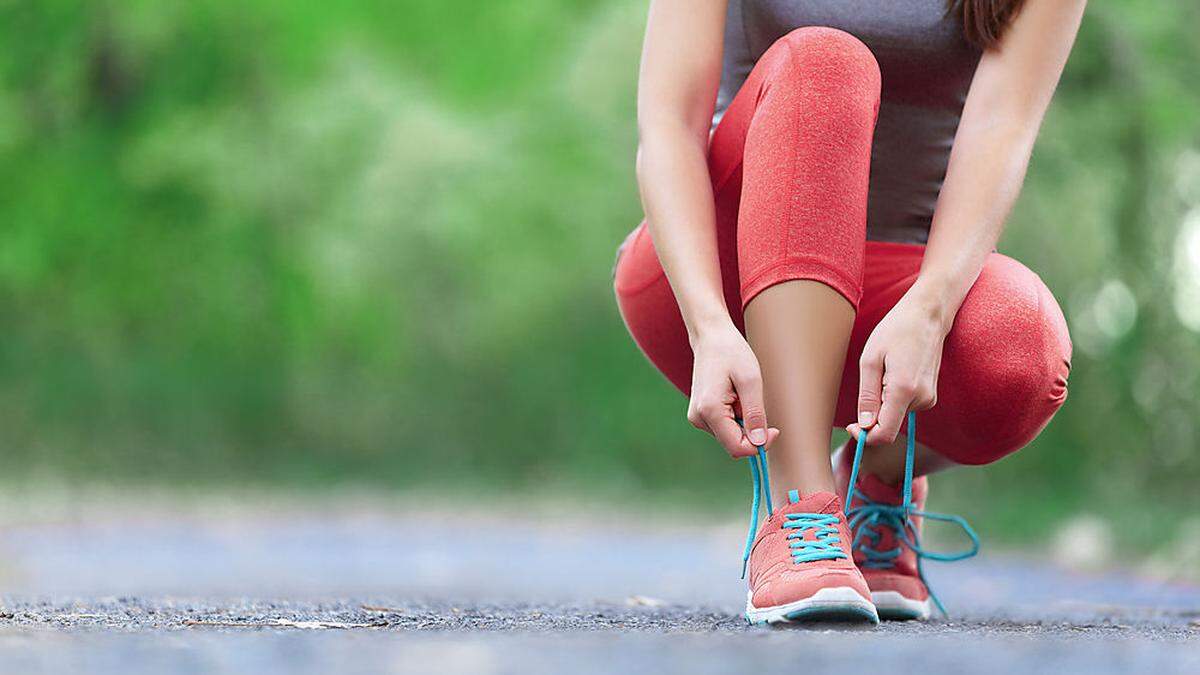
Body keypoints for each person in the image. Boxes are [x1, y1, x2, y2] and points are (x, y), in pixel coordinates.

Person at [613, 0, 1086, 624]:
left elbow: (1003, 128)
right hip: (716, 280)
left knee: (1021, 349)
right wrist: (707, 323)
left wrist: (931, 310)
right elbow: (669, 123)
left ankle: (877, 477)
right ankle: (800, 510)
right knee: (826, 61)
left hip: (900, 298)